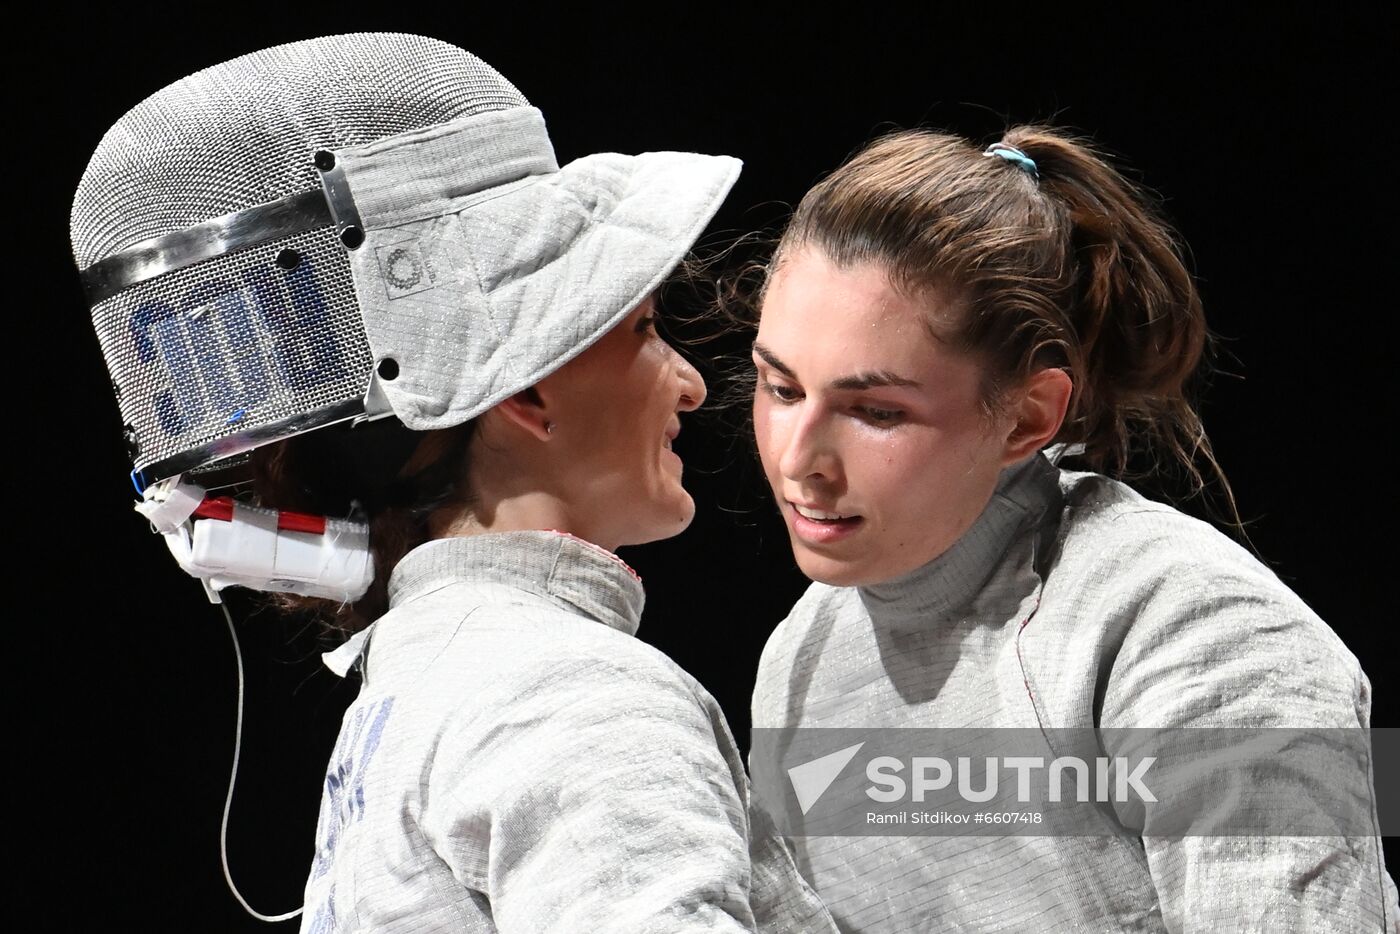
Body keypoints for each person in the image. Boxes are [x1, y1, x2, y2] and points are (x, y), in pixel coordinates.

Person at [70, 33, 835, 933]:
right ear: (526, 389)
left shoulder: (416, 690)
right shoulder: (569, 698)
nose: (691, 382)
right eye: (640, 329)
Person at [744, 127, 1398, 931]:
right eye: (779, 388)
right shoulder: (801, 659)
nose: (799, 459)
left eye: (878, 413)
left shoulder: (1201, 630)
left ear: (1026, 417)